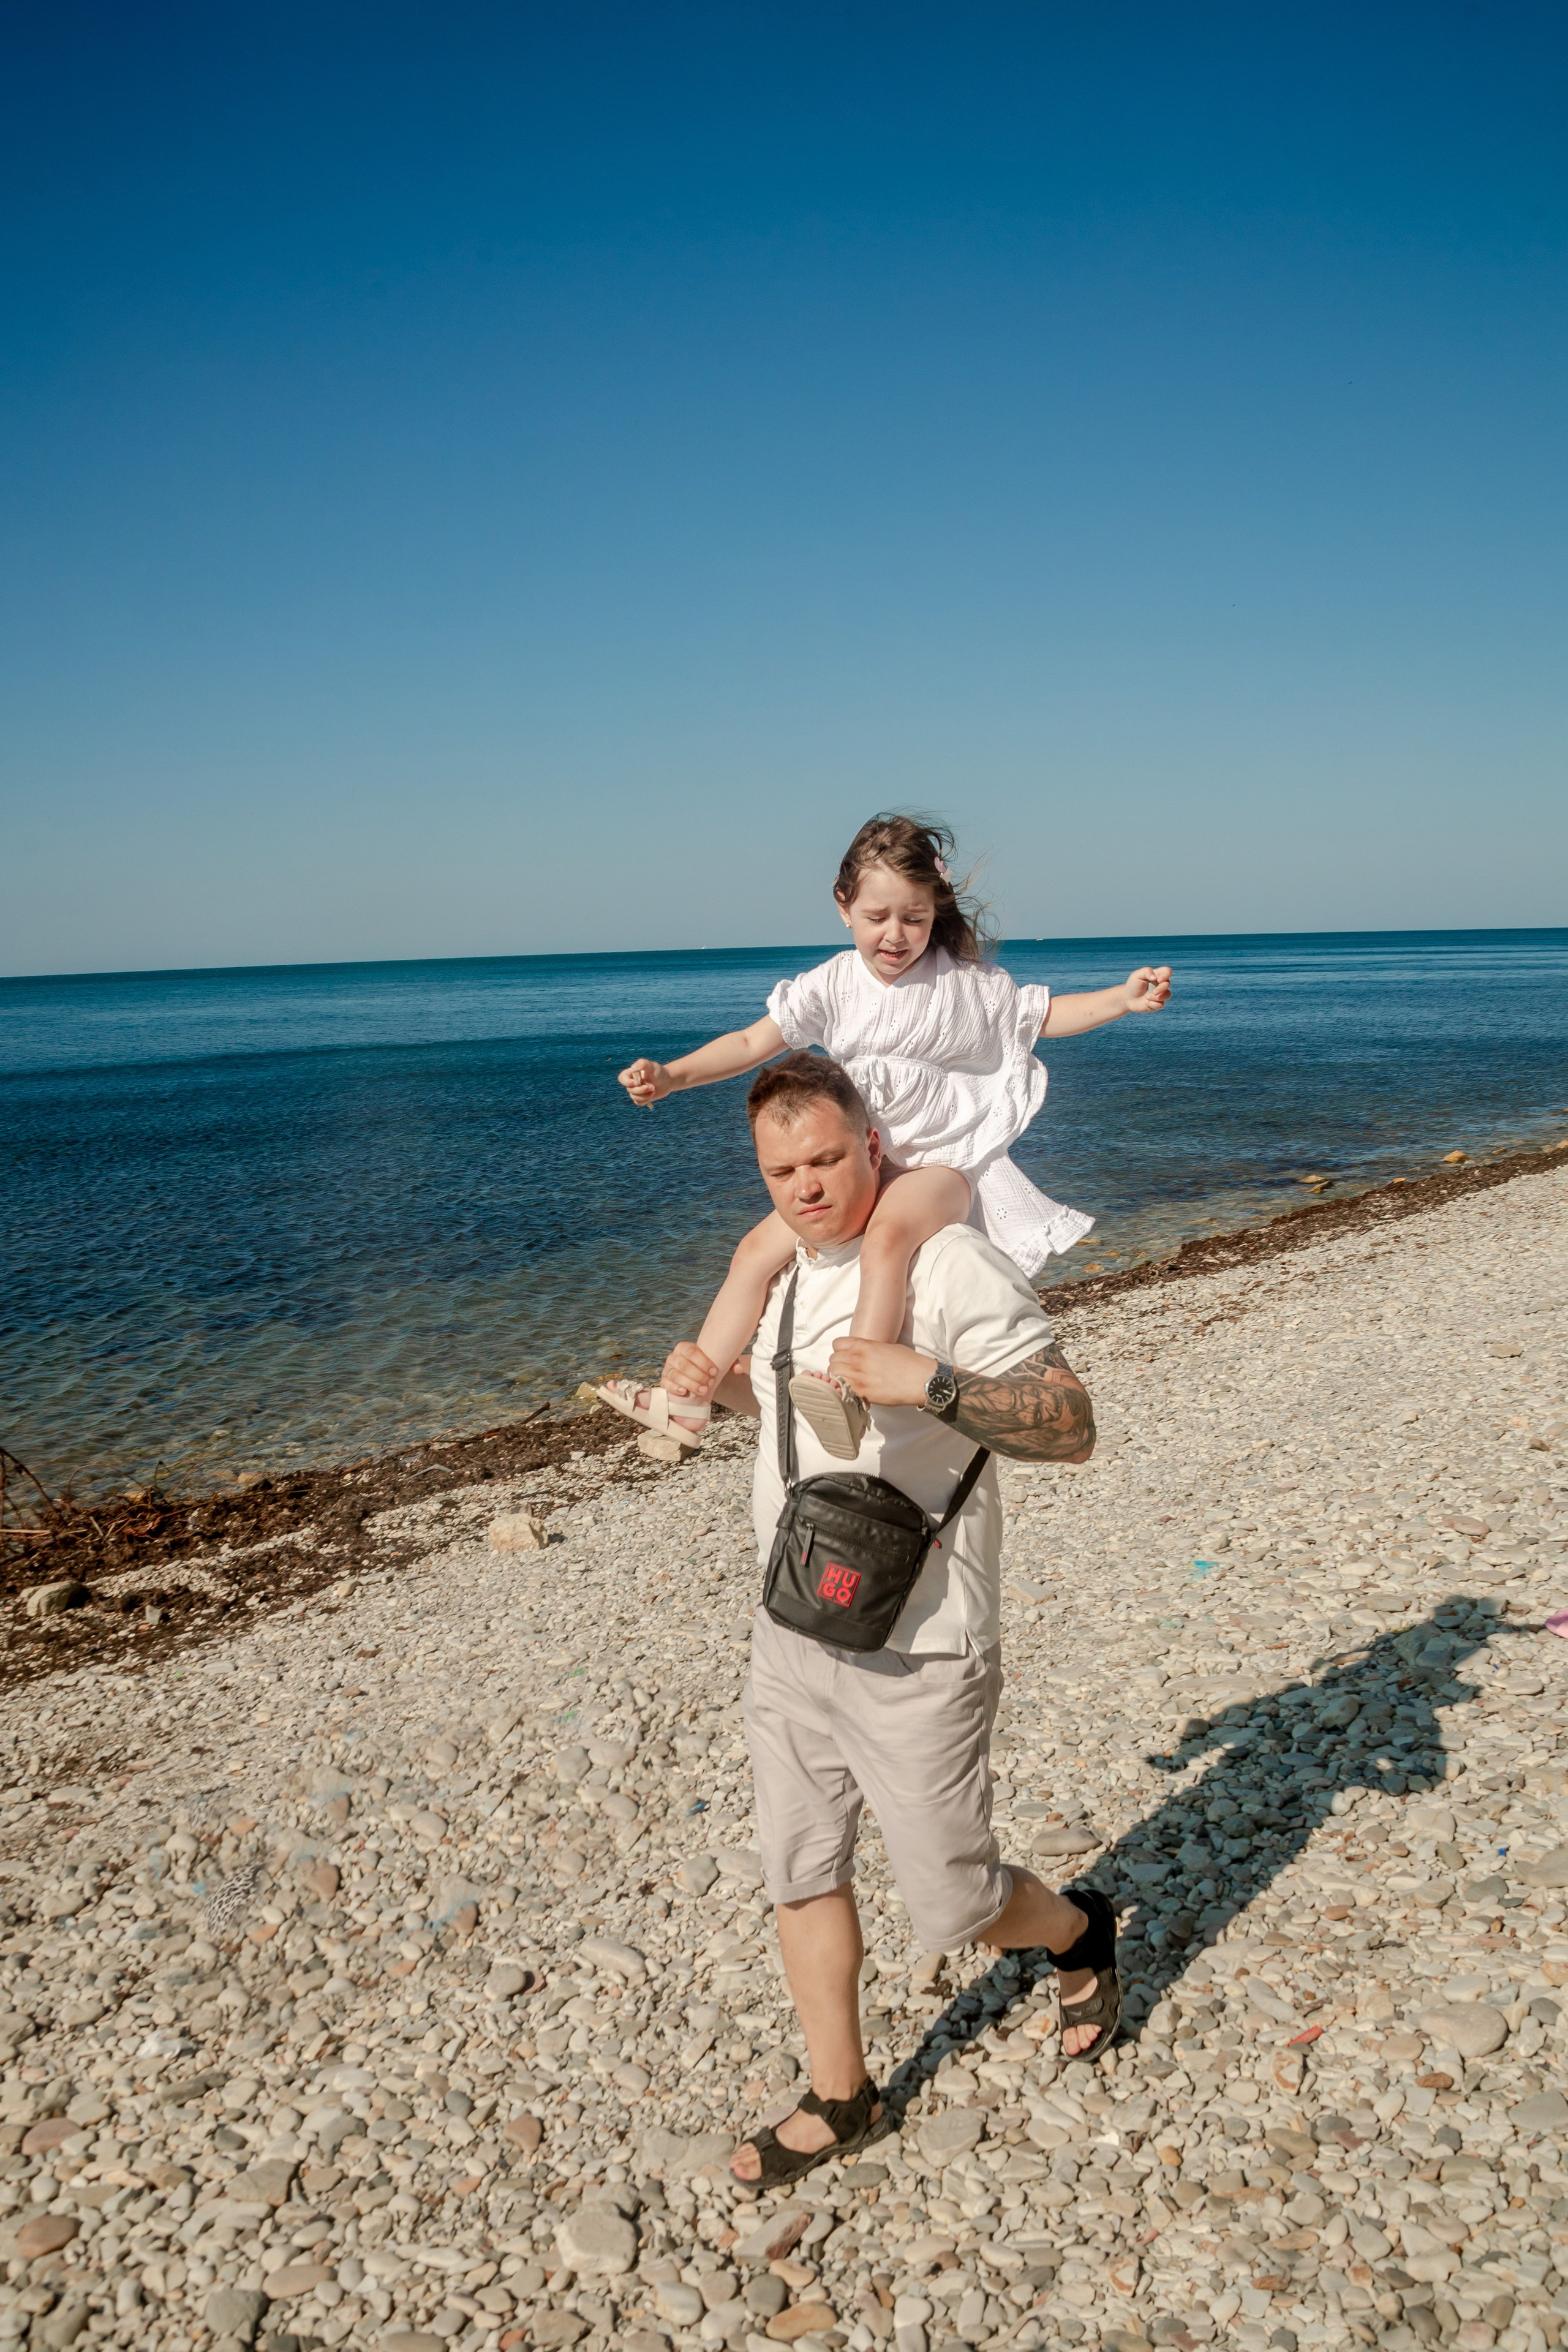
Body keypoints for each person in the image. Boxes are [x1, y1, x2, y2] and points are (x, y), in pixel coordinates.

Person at [654, 1049, 1118, 2189]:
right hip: (793, 1623)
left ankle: (1078, 1933)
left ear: (872, 1146)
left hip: (922, 1643)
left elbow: (1072, 1423)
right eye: (780, 1170)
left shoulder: (952, 1265)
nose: (806, 1188)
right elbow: (796, 1416)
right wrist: (705, 1388)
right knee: (800, 1868)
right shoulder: (784, 1274)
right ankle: (842, 2095)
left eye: (825, 1159)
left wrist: (935, 1385)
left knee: (955, 1903)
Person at [598, 813, 1170, 1460]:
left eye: (914, 918)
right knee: (754, 1251)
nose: (895, 935)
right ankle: (691, 1399)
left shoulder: (965, 985)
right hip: (859, 1166)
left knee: (889, 1238)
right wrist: (672, 1075)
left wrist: (1120, 1000)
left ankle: (849, 1386)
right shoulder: (833, 984)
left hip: (937, 1164)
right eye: (877, 917)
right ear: (843, 907)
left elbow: (1041, 1018)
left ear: (935, 911)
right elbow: (752, 1043)